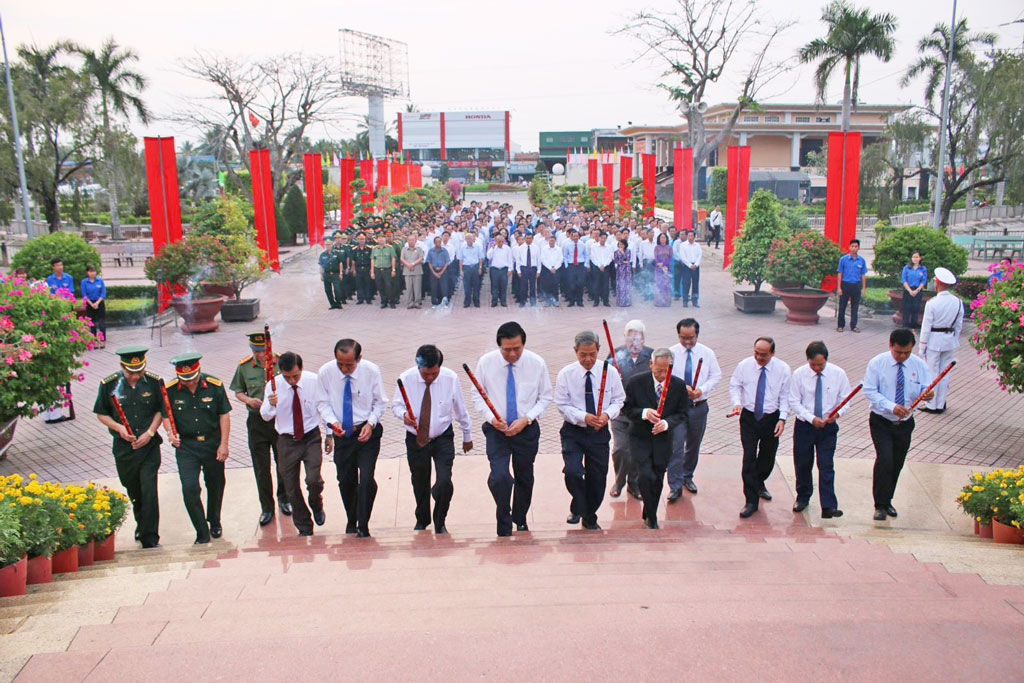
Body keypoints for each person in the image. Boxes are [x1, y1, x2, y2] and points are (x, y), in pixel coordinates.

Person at [473, 322, 553, 536]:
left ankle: (520, 518)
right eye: (506, 349)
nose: (512, 354)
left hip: (525, 429)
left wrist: (526, 419)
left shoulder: (536, 363)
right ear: (499, 346)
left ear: (524, 344)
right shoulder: (486, 363)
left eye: (517, 348)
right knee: (500, 477)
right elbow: (477, 396)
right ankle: (503, 518)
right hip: (497, 430)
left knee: (524, 477)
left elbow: (545, 397)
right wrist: (492, 419)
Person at [390, 344, 473, 534]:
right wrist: (404, 415)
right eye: (426, 374)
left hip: (442, 436)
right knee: (419, 480)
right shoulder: (406, 378)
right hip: (416, 438)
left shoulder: (450, 378)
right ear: (418, 366)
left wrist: (467, 434)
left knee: (444, 481)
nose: (430, 377)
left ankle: (440, 520)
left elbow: (460, 408)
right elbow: (396, 405)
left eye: (434, 373)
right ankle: (422, 519)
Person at [93, 346, 165, 548]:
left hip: (149, 447)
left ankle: (150, 536)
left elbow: (162, 410)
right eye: (131, 372)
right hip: (124, 448)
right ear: (122, 367)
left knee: (149, 490)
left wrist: (150, 432)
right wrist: (119, 428)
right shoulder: (109, 385)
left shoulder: (154, 382)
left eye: (139, 371)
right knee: (134, 490)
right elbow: (101, 413)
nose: (135, 376)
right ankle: (141, 524)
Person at [316, 338, 387, 537]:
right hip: (342, 434)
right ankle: (352, 518)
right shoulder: (326, 372)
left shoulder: (371, 371)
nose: (344, 369)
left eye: (349, 364)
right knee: (345, 480)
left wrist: (371, 423)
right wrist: (333, 422)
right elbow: (322, 402)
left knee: (366, 478)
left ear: (359, 358)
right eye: (340, 364)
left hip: (367, 433)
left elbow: (380, 401)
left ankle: (363, 525)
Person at [555, 331, 625, 530]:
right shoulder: (566, 374)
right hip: (574, 431)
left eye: (592, 354)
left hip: (598, 432)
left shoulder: (609, 372)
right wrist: (583, 416)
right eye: (583, 354)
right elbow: (562, 404)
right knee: (572, 471)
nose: (588, 359)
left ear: (598, 350)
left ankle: (587, 514)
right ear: (575, 351)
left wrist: (607, 415)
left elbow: (619, 399)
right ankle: (580, 507)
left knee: (598, 477)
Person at [862, 328, 934, 521]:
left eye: (907, 353)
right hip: (881, 420)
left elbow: (926, 386)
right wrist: (891, 406)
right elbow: (870, 391)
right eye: (898, 352)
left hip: (905, 422)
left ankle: (888, 500)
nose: (902, 356)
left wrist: (928, 393)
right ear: (890, 345)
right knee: (885, 459)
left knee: (897, 462)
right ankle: (879, 504)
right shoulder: (877, 363)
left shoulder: (919, 365)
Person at [164, 353, 232, 544]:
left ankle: (214, 520)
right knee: (189, 488)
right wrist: (170, 432)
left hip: (211, 443)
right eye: (184, 379)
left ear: (199, 371)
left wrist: (224, 444)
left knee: (216, 483)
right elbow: (165, 414)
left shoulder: (214, 385)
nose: (189, 382)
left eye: (192, 378)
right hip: (186, 446)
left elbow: (224, 415)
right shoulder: (170, 390)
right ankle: (201, 531)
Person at [622, 348, 689, 529]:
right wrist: (644, 413)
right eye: (658, 370)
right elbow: (626, 409)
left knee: (658, 476)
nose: (662, 375)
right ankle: (652, 517)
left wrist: (667, 423)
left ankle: (649, 511)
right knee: (645, 474)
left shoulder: (678, 385)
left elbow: (682, 413)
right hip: (640, 437)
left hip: (663, 438)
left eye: (666, 371)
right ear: (651, 364)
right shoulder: (636, 382)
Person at [260, 352, 326, 537]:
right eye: (287, 377)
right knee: (290, 486)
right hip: (287, 440)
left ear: (301, 368)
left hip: (310, 437)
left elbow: (323, 407)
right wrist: (271, 404)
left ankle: (316, 504)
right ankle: (304, 525)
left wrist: (329, 434)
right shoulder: (273, 385)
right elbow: (265, 415)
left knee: (313, 479)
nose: (291, 381)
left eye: (295, 376)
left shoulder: (314, 381)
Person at [229, 330, 290, 527]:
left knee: (283, 463)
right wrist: (248, 400)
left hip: (279, 420)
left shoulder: (282, 362)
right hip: (257, 422)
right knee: (261, 467)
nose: (261, 354)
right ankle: (266, 507)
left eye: (264, 350)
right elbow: (238, 391)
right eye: (257, 351)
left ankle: (285, 498)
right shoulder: (245, 367)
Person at [788, 341, 852, 518]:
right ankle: (803, 497)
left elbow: (846, 399)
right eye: (813, 364)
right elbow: (794, 401)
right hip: (805, 426)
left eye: (820, 365)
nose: (816, 368)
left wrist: (836, 414)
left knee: (826, 465)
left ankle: (829, 505)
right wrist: (811, 418)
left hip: (828, 427)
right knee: (803, 463)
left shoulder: (838, 374)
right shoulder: (799, 374)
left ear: (826, 359)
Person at [730, 337, 792, 518]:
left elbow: (786, 396)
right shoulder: (744, 365)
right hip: (749, 417)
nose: (759, 357)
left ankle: (758, 482)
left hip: (771, 418)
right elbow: (735, 385)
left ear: (772, 353)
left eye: (763, 355)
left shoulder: (783, 369)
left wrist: (782, 419)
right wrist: (736, 402)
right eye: (756, 353)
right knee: (749, 457)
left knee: (767, 457)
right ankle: (751, 500)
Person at [667, 318, 722, 499]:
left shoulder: (707, 353)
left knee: (693, 445)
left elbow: (716, 376)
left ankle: (687, 476)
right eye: (683, 338)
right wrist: (681, 388)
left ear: (697, 335)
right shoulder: (671, 353)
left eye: (691, 337)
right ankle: (675, 485)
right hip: (677, 408)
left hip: (698, 406)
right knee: (676, 446)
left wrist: (701, 390)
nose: (687, 342)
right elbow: (664, 377)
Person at [609, 320, 653, 500]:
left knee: (636, 451)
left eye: (637, 339)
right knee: (620, 449)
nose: (634, 343)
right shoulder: (615, 355)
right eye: (630, 339)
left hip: (640, 412)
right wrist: (613, 376)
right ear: (625, 338)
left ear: (643, 340)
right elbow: (604, 379)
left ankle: (633, 484)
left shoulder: (651, 356)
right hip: (620, 410)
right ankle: (619, 481)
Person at [919, 267, 963, 414]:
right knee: (945, 374)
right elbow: (958, 325)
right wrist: (954, 339)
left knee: (932, 373)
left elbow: (926, 327)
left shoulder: (932, 303)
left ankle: (931, 405)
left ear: (937, 283)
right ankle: (941, 403)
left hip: (934, 340)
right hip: (949, 340)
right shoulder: (958, 302)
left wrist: (922, 347)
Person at [836, 239, 868, 333]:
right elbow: (839, 273)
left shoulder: (861, 260)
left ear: (858, 248)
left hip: (856, 285)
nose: (854, 248)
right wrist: (839, 288)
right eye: (852, 246)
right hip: (845, 285)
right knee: (842, 306)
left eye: (856, 246)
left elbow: (863, 275)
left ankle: (853, 326)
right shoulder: (843, 259)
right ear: (849, 247)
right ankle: (840, 325)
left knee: (855, 307)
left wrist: (863, 288)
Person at [80, 265, 107, 347]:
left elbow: (103, 293)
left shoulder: (100, 281)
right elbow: (84, 294)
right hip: (89, 303)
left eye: (94, 271)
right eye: (90, 271)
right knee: (92, 323)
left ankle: (102, 340)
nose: (92, 273)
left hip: (99, 302)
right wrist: (91, 304)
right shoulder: (84, 282)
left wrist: (97, 303)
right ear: (87, 272)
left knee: (101, 322)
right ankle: (94, 340)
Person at [900, 250, 928, 328]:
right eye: (913, 257)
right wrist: (910, 290)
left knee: (916, 307)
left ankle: (914, 324)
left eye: (917, 257)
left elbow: (923, 281)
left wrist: (917, 290)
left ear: (920, 258)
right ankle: (905, 324)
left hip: (918, 290)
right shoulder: (906, 268)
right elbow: (904, 280)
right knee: (907, 308)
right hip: (908, 289)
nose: (915, 259)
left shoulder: (923, 269)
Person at [370, 233, 398, 309]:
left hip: (387, 269)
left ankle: (391, 301)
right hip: (378, 269)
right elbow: (373, 259)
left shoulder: (390, 248)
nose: (381, 239)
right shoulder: (374, 248)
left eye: (382, 238)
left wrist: (393, 269)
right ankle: (384, 301)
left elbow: (393, 258)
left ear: (385, 239)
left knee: (389, 286)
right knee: (380, 286)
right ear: (377, 239)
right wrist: (372, 271)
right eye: (379, 238)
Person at [458, 232, 485, 308]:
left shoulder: (477, 246)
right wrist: (461, 270)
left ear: (473, 239)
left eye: (470, 238)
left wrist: (480, 268)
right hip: (466, 268)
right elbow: (460, 259)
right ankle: (467, 302)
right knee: (466, 286)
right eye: (467, 238)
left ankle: (476, 302)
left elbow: (480, 258)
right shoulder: (462, 247)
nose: (469, 240)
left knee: (476, 286)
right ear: (465, 239)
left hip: (475, 267)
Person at [514, 232, 541, 307]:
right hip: (524, 268)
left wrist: (538, 271)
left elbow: (538, 260)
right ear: (525, 239)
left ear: (532, 239)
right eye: (527, 238)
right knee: (523, 286)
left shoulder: (536, 248)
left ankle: (533, 302)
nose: (528, 240)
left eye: (530, 238)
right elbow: (518, 260)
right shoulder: (520, 248)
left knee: (533, 286)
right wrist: (518, 271)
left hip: (533, 268)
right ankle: (523, 302)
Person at [318, 233, 344, 310]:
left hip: (335, 274)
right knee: (328, 290)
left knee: (337, 290)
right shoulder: (322, 254)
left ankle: (338, 303)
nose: (328, 246)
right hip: (327, 275)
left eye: (329, 244)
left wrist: (341, 273)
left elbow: (340, 263)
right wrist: (321, 275)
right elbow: (321, 266)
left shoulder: (337, 253)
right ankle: (332, 304)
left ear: (332, 244)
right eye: (326, 245)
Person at [486, 234, 513, 308]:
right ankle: (494, 301)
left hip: (504, 269)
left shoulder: (507, 248)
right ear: (496, 241)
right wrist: (493, 247)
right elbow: (488, 256)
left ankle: (503, 301)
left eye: (502, 241)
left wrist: (510, 269)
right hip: (494, 269)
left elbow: (510, 259)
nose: (501, 243)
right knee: (494, 286)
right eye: (499, 241)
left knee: (503, 286)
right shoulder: (493, 248)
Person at [561, 229, 587, 307]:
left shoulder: (582, 244)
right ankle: (571, 301)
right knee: (571, 284)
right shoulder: (568, 245)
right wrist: (566, 266)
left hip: (580, 266)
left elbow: (586, 255)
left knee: (580, 283)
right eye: (574, 236)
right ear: (571, 237)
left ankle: (579, 301)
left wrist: (585, 265)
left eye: (577, 236)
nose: (575, 237)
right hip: (571, 265)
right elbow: (565, 256)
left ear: (579, 237)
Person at [677, 230, 701, 308]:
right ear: (687, 236)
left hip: (696, 266)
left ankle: (695, 301)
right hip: (687, 266)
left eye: (692, 236)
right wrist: (690, 265)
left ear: (694, 237)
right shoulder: (683, 245)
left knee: (695, 284)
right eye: (689, 236)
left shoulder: (697, 245)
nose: (690, 237)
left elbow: (699, 255)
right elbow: (683, 257)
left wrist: (696, 264)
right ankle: (685, 301)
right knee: (686, 283)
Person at [425, 236, 451, 309]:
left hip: (443, 270)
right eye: (436, 242)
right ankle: (434, 303)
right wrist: (434, 272)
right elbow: (429, 262)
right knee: (434, 287)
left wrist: (441, 272)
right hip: (433, 270)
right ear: (434, 243)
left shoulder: (444, 251)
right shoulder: (431, 251)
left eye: (439, 242)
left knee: (444, 287)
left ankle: (445, 303)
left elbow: (447, 262)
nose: (438, 243)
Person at [400, 233, 424, 309]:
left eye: (412, 240)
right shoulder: (404, 249)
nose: (411, 241)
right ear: (407, 241)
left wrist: (412, 264)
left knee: (417, 288)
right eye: (409, 240)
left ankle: (417, 302)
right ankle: (410, 303)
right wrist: (408, 265)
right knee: (409, 288)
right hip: (407, 271)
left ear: (415, 240)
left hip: (417, 270)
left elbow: (420, 258)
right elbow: (402, 258)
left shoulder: (419, 249)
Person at [348, 232, 374, 304]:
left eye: (363, 239)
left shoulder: (369, 248)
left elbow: (371, 259)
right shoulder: (354, 249)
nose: (361, 241)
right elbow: (353, 260)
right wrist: (353, 269)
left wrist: (371, 269)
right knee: (359, 284)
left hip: (367, 268)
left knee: (368, 284)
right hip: (358, 268)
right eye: (360, 239)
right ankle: (360, 299)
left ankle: (368, 298)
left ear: (365, 239)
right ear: (357, 240)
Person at [539, 233, 563, 307]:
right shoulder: (544, 249)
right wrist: (550, 268)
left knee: (555, 285)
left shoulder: (559, 249)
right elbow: (543, 259)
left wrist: (555, 268)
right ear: (548, 241)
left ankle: (556, 300)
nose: (551, 242)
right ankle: (548, 301)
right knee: (547, 285)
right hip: (547, 269)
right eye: (550, 240)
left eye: (553, 241)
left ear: (555, 241)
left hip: (556, 269)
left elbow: (560, 259)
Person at [653, 233, 673, 307]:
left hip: (667, 268)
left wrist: (664, 263)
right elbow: (655, 257)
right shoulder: (656, 247)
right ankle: (659, 302)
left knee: (666, 285)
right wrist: (659, 263)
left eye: (664, 237)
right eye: (661, 238)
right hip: (658, 268)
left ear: (666, 239)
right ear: (659, 239)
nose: (663, 239)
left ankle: (666, 302)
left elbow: (670, 257)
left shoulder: (669, 247)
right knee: (659, 284)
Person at [613, 239, 633, 307]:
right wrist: (623, 261)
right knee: (621, 285)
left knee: (627, 285)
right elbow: (616, 261)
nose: (621, 246)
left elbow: (628, 259)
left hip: (627, 270)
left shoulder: (628, 251)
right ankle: (621, 302)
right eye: (619, 244)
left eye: (622, 244)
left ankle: (627, 302)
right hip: (620, 270)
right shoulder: (616, 252)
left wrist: (622, 253)